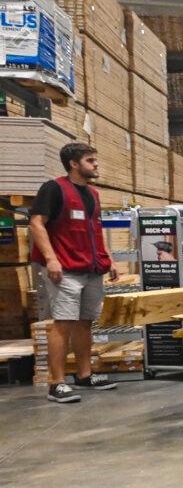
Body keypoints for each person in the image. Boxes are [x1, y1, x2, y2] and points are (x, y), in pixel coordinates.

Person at [29, 142, 120, 403]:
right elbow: (36, 223)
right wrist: (51, 259)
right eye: (91, 161)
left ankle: (84, 375)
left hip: (91, 267)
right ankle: (56, 383)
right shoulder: (54, 188)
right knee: (63, 323)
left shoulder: (92, 193)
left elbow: (94, 230)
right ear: (74, 164)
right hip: (64, 269)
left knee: (84, 322)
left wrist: (108, 259)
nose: (96, 165)